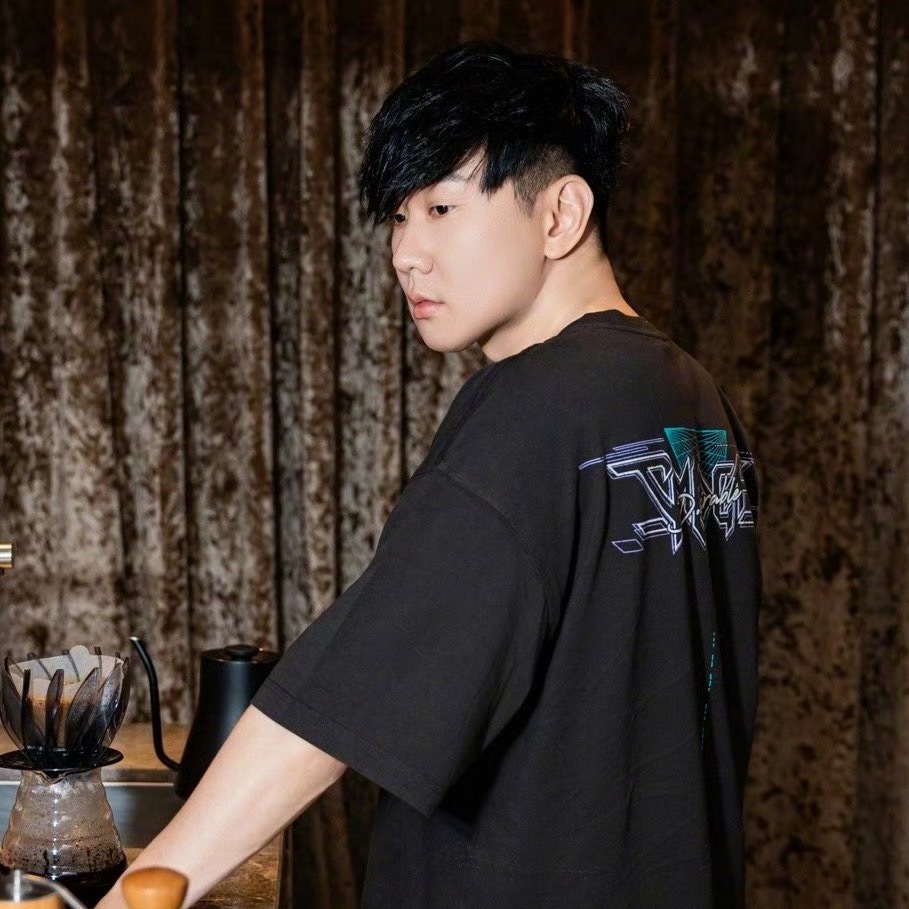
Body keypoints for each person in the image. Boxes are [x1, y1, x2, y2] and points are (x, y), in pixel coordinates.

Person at [98, 40, 760, 909]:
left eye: (442, 208)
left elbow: (340, 698)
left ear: (560, 214)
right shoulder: (695, 398)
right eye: (398, 216)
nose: (406, 253)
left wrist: (136, 895)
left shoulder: (537, 406)